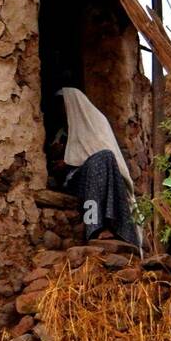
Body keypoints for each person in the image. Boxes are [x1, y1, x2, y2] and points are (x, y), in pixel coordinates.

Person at [56, 87, 142, 249]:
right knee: (99, 163)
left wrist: (71, 160)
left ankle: (112, 225)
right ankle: (94, 227)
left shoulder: (96, 122)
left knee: (104, 158)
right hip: (74, 181)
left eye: (62, 106)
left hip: (101, 173)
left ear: (72, 105)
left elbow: (100, 150)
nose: (60, 111)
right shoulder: (61, 132)